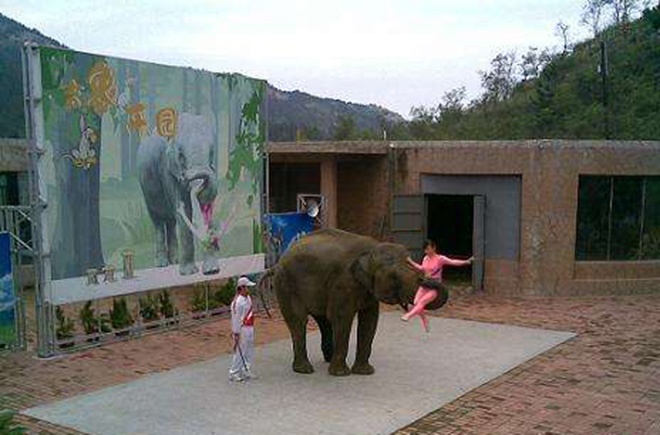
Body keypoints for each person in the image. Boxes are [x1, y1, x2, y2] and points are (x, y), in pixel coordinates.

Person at [403, 240, 473, 332]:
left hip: (435, 286)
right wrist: (410, 262)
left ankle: (408, 315)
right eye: (425, 250)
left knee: (422, 302)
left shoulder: (440, 259)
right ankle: (425, 320)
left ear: (433, 248)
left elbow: (453, 262)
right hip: (426, 284)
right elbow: (422, 268)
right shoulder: (425, 258)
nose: (426, 251)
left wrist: (466, 262)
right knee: (416, 302)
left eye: (428, 249)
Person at [228, 276, 258, 382]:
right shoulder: (237, 302)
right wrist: (236, 333)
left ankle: (245, 370)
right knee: (240, 350)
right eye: (247, 287)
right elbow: (235, 319)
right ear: (242, 288)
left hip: (250, 327)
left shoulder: (248, 298)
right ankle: (234, 372)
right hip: (242, 329)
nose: (249, 289)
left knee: (249, 349)